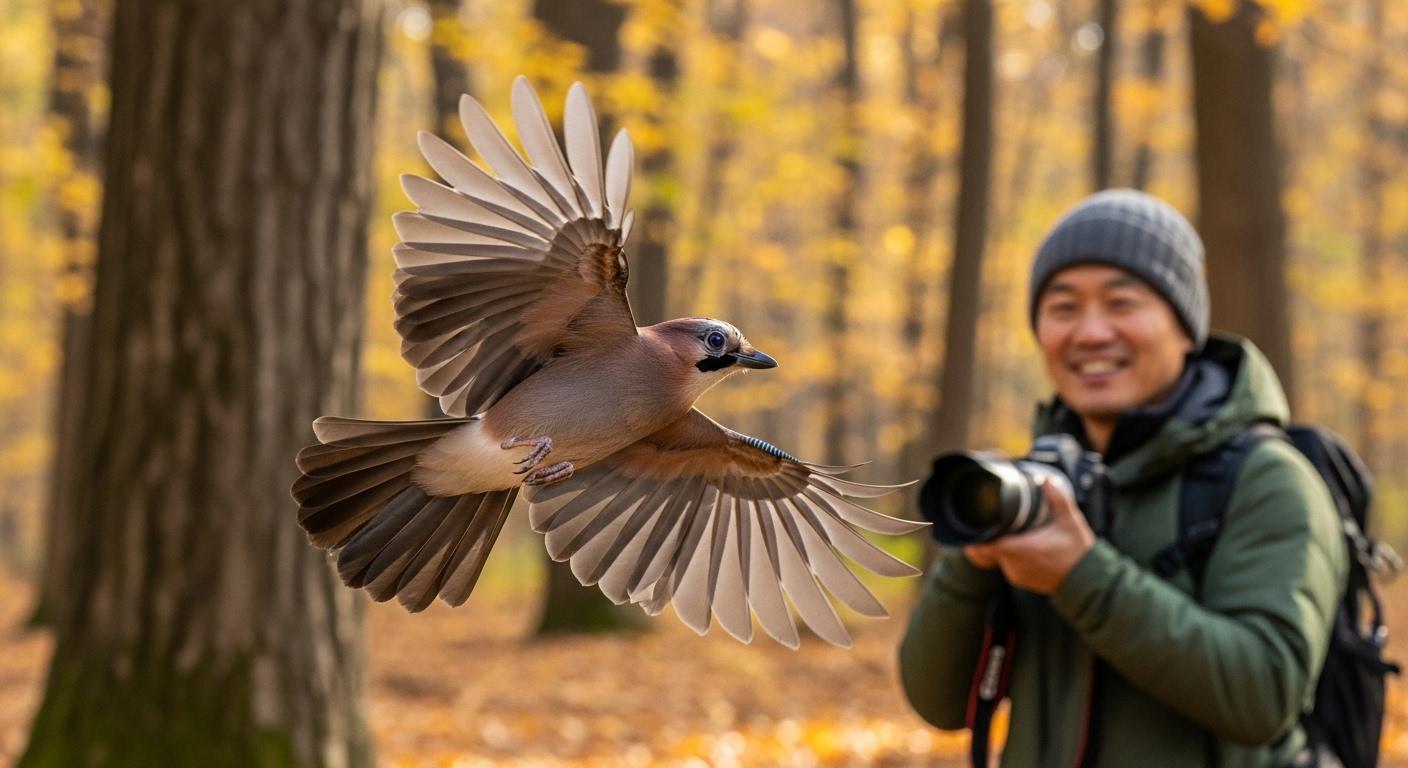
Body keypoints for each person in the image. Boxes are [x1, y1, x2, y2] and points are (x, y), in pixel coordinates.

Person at [899, 189, 1348, 767]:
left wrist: (1080, 575)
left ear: (1186, 326)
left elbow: (1263, 696)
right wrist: (973, 562)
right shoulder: (1038, 489)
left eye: (1121, 303)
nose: (1089, 333)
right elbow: (939, 702)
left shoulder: (1267, 481)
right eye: (1062, 308)